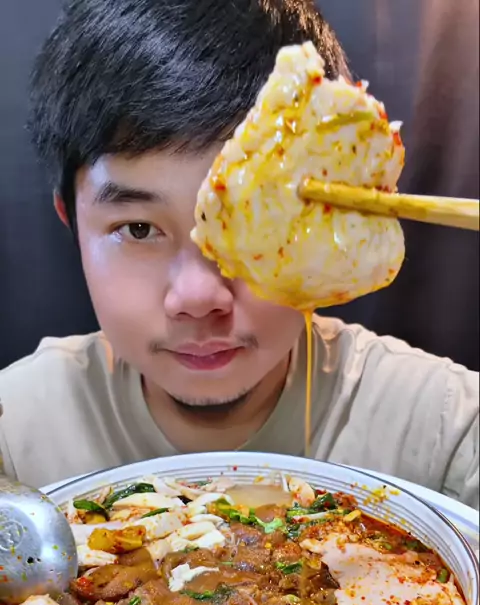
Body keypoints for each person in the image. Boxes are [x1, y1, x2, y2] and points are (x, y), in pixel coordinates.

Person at [0, 0, 478, 509]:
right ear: (72, 223)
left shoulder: (445, 430)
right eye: (138, 229)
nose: (198, 296)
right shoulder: (16, 434)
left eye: (255, 221)